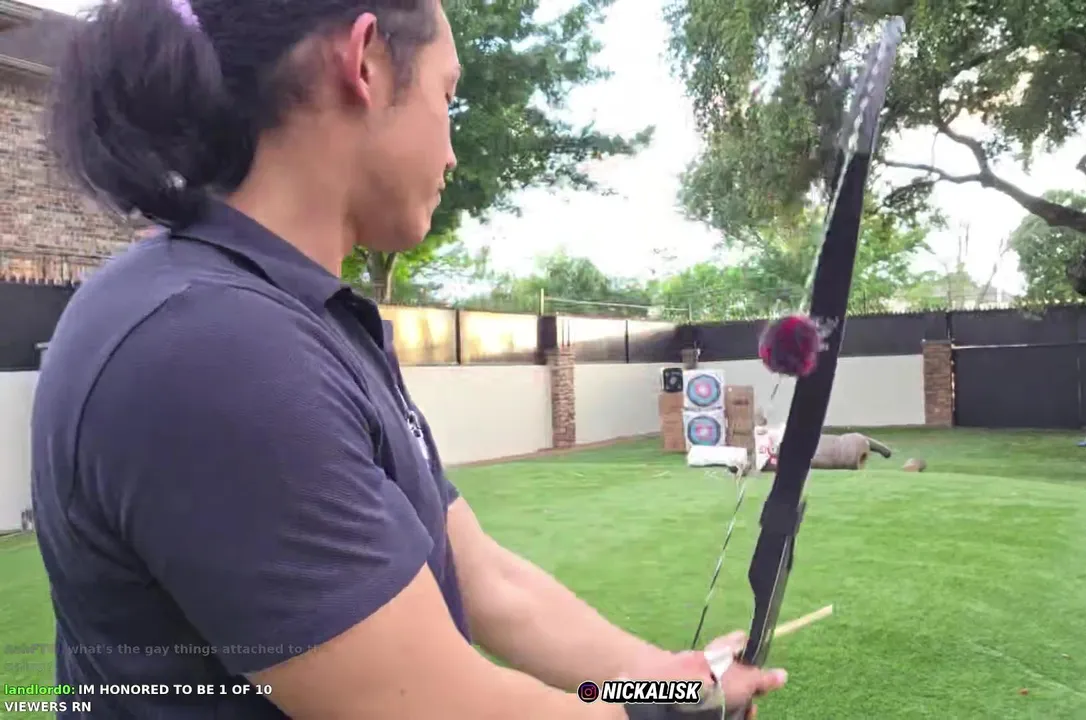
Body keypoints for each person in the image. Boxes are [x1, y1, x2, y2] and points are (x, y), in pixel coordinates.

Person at [29, 0, 788, 718]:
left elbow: (487, 581)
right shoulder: (212, 344)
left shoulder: (298, 318)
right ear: (366, 62)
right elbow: (439, 704)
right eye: (447, 94)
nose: (452, 151)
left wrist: (671, 682)